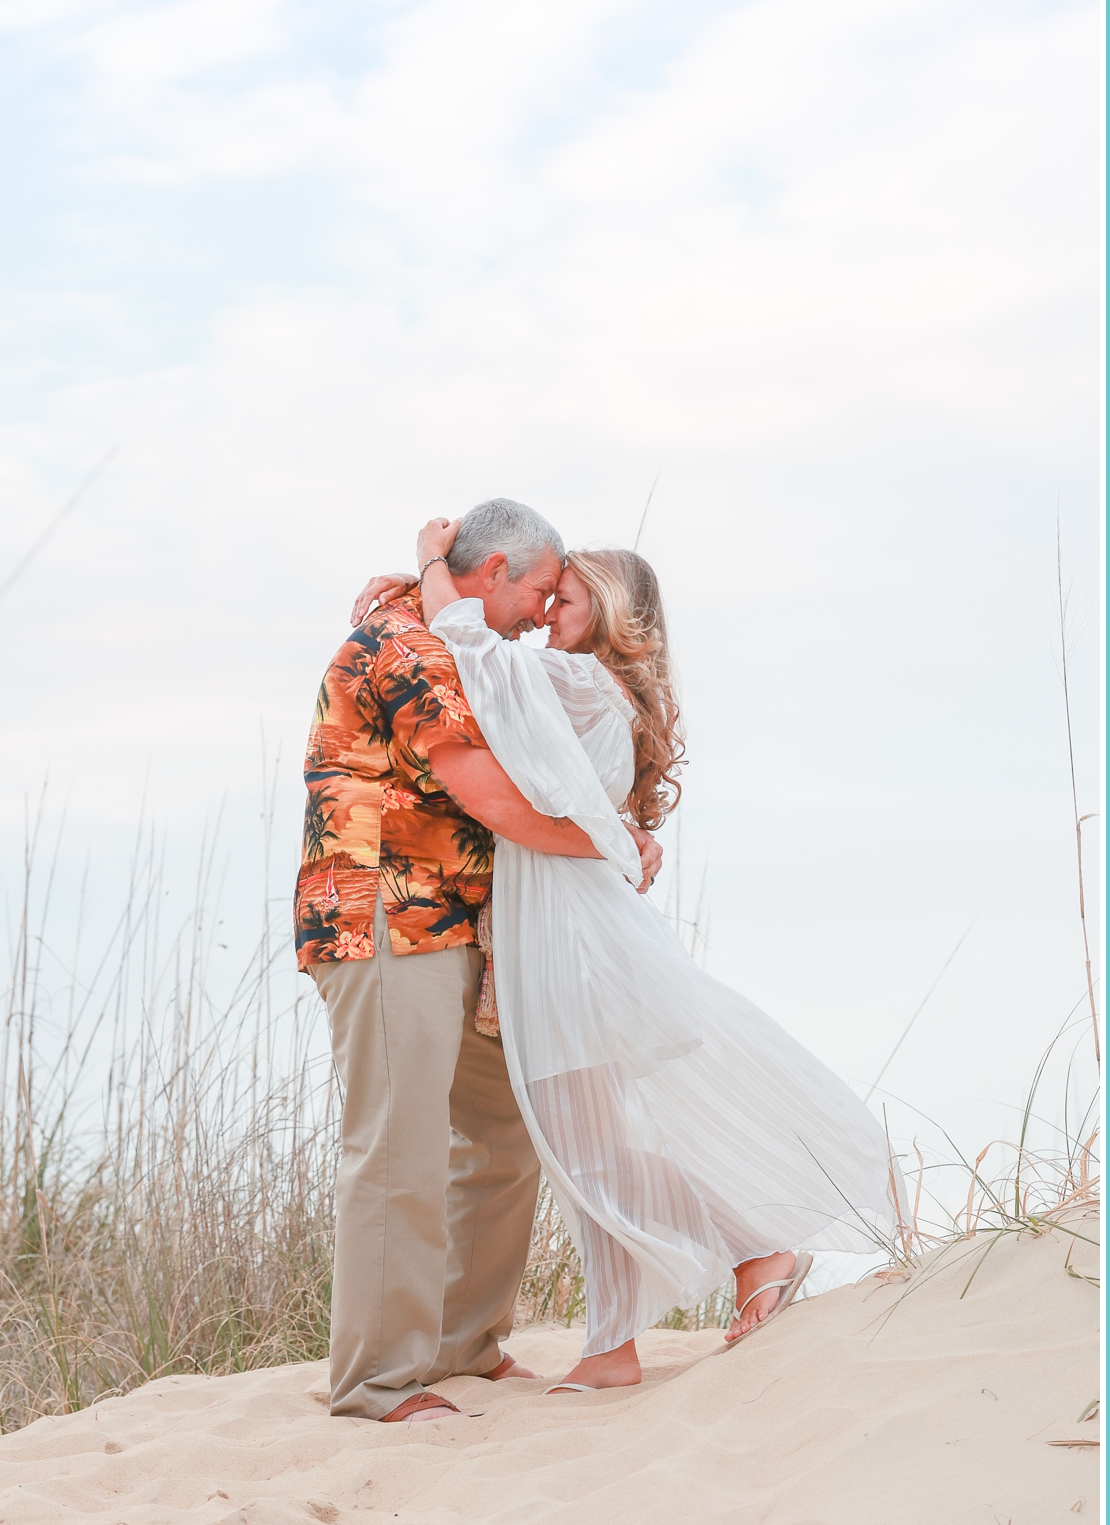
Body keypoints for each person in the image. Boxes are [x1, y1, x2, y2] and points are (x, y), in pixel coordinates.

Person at [353, 520, 906, 1394]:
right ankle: (621, 1341)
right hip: (564, 928)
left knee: (585, 1149)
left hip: (570, 939)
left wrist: (427, 566)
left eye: (560, 600)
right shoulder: (594, 690)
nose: (541, 616)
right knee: (591, 1151)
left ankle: (748, 1254)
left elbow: (470, 649)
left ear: (604, 612)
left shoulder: (575, 681)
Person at [295, 498, 662, 1423]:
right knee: (398, 1146)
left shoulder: (450, 642)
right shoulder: (406, 649)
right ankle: (377, 1384)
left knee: (504, 1134)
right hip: (384, 918)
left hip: (458, 927)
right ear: (493, 572)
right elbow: (490, 797)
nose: (546, 611)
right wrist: (611, 846)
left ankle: (462, 1344)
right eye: (541, 589)